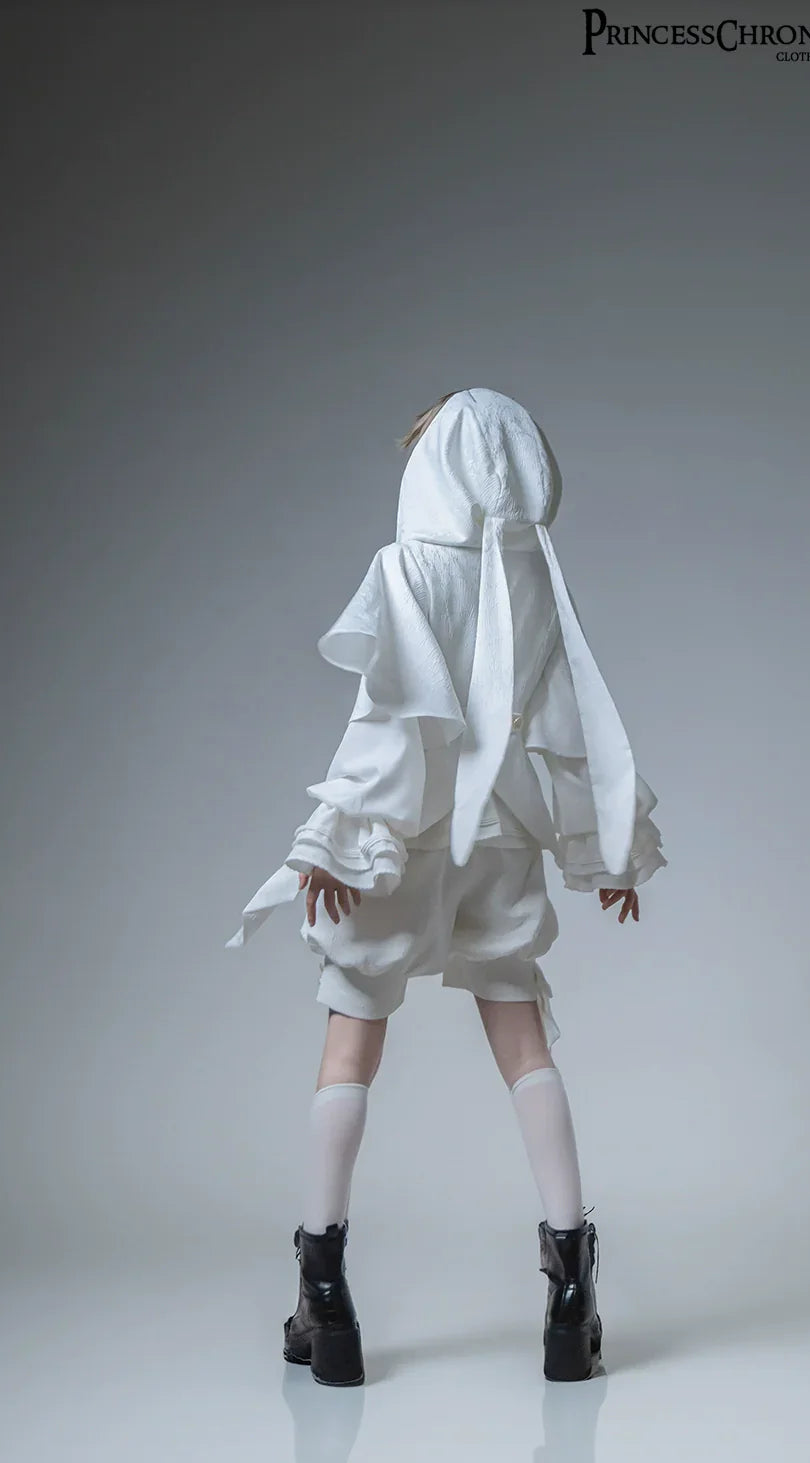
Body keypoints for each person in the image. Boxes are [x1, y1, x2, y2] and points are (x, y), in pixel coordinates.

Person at [226, 387, 667, 1386]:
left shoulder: (409, 568)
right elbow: (570, 723)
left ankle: (324, 1294)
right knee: (522, 1035)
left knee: (351, 1038)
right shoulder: (534, 576)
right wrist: (609, 851)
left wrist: (332, 839)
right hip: (499, 839)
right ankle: (570, 1292)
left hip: (402, 838)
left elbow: (384, 720)